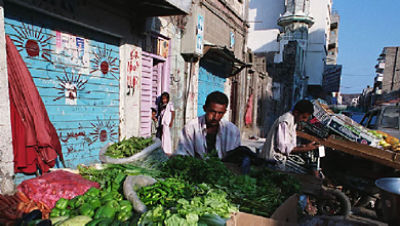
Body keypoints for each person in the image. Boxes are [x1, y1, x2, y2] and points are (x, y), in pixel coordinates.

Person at [175, 91, 241, 158]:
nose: (216, 117)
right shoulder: (191, 128)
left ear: (225, 112)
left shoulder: (232, 131)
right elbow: (183, 154)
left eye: (220, 113)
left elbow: (235, 159)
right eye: (212, 112)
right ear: (204, 108)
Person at [260, 99, 319, 169]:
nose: (305, 120)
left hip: (278, 160)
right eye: (304, 117)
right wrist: (306, 148)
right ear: (296, 112)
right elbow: (283, 148)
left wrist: (304, 146)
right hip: (271, 160)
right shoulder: (285, 121)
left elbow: (290, 145)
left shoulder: (293, 121)